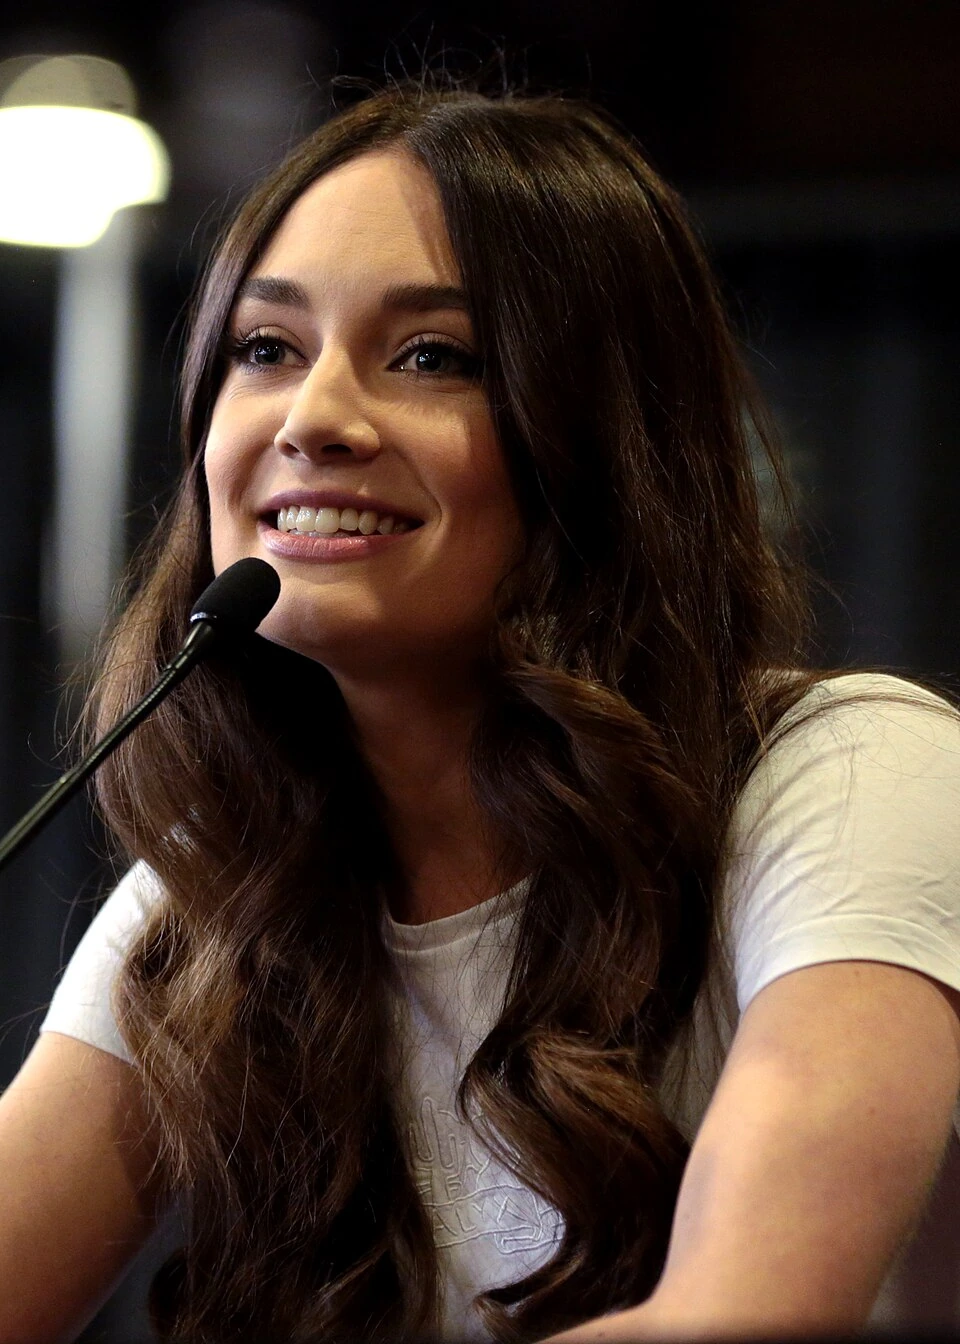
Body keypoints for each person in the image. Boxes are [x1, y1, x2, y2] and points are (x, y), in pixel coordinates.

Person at [1, 82, 959, 1344]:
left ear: (607, 438)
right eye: (266, 349)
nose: (314, 419)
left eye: (431, 358)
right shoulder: (210, 900)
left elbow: (746, 1314)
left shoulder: (848, 770)